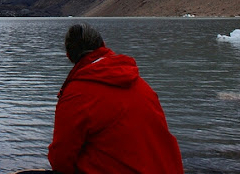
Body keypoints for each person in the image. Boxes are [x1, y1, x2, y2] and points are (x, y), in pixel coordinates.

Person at [48, 23, 184, 174]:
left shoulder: (77, 94)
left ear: (69, 56)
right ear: (103, 45)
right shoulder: (140, 84)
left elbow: (61, 159)